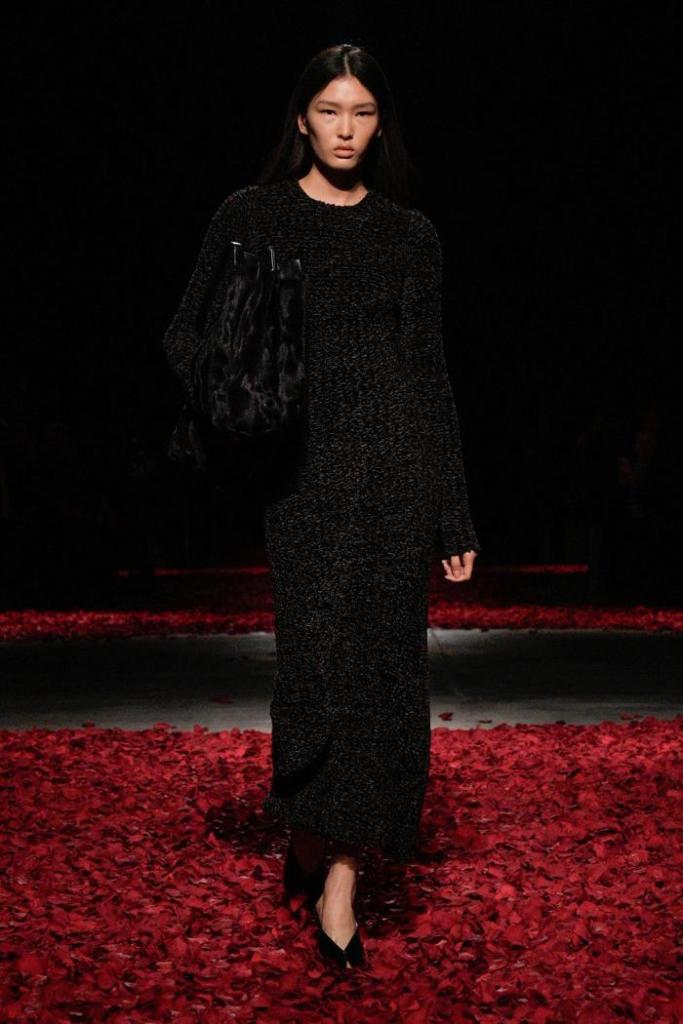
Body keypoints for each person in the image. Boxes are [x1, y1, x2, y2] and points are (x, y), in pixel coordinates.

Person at [162, 42, 481, 971]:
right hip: (301, 482)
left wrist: (452, 513)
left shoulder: (408, 235)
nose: (346, 130)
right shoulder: (251, 215)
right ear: (301, 119)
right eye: (330, 111)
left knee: (383, 676)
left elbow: (429, 377)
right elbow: (183, 336)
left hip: (397, 476)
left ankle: (339, 879)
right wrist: (252, 392)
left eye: (363, 113)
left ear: (380, 125)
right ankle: (308, 831)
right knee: (314, 672)